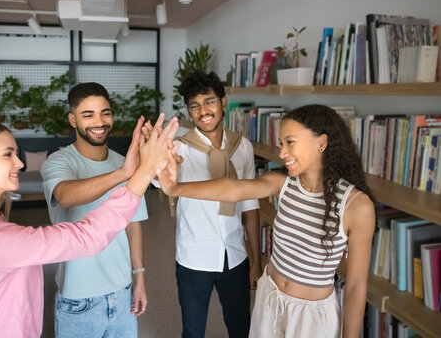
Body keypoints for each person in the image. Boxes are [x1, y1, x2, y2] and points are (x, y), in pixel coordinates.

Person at [0, 116, 179, 338]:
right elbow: (86, 237)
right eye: (7, 154)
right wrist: (145, 172)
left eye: (15, 153)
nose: (19, 163)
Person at [159, 104, 375, 338]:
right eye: (281, 143)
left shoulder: (356, 206)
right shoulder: (284, 184)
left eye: (290, 142)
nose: (282, 153)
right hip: (269, 300)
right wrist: (175, 187)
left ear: (321, 142)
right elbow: (234, 189)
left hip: (311, 319)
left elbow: (355, 287)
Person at [152, 71, 261, 338]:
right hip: (193, 258)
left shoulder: (242, 147)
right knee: (193, 330)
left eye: (209, 101)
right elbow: (159, 182)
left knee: (241, 328)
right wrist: (162, 166)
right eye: (195, 105)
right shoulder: (178, 149)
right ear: (189, 111)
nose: (203, 110)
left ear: (223, 103)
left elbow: (250, 204)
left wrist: (256, 261)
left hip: (235, 256)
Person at [40, 82, 150, 338]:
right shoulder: (59, 161)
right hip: (78, 298)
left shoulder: (124, 163)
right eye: (87, 115)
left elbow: (133, 224)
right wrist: (123, 174)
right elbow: (66, 195)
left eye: (105, 113)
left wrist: (140, 277)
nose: (99, 122)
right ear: (73, 120)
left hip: (122, 292)